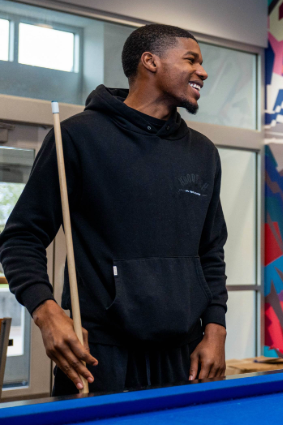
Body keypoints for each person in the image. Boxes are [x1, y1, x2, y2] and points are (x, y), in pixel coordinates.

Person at [0, 24, 228, 395]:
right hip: (100, 355)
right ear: (150, 61)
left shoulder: (202, 151)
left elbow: (210, 251)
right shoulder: (76, 137)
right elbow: (21, 238)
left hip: (184, 354)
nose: (202, 71)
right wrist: (47, 313)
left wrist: (216, 327)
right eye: (191, 59)